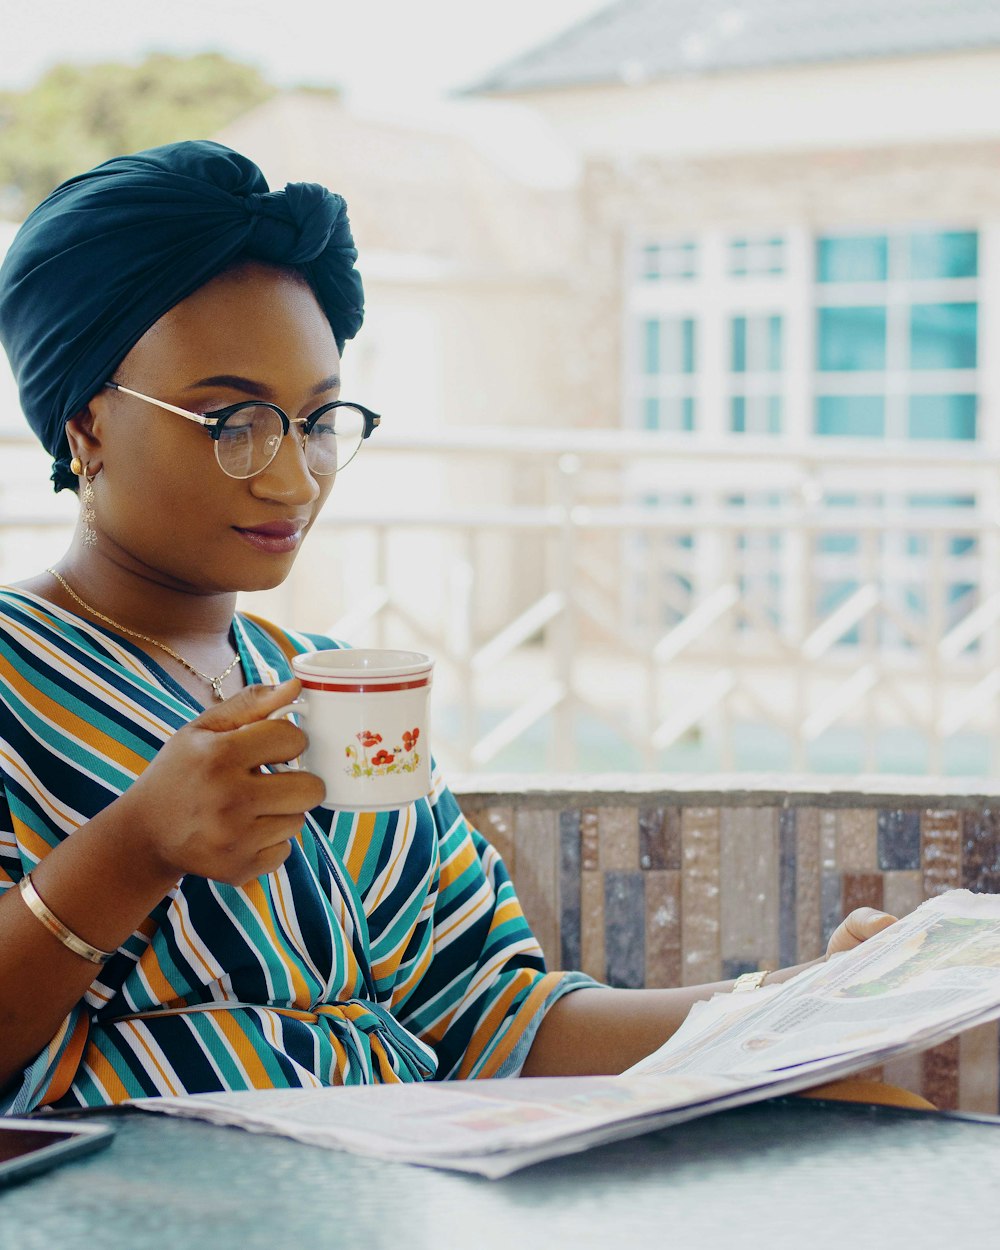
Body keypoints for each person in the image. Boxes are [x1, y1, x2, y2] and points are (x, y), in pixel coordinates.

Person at [0, 141, 894, 1113]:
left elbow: (494, 1016)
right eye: (232, 423)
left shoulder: (335, 686)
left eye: (317, 420)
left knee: (864, 1103)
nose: (292, 478)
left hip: (397, 1196)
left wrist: (796, 1002)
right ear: (85, 425)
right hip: (135, 1211)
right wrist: (134, 847)